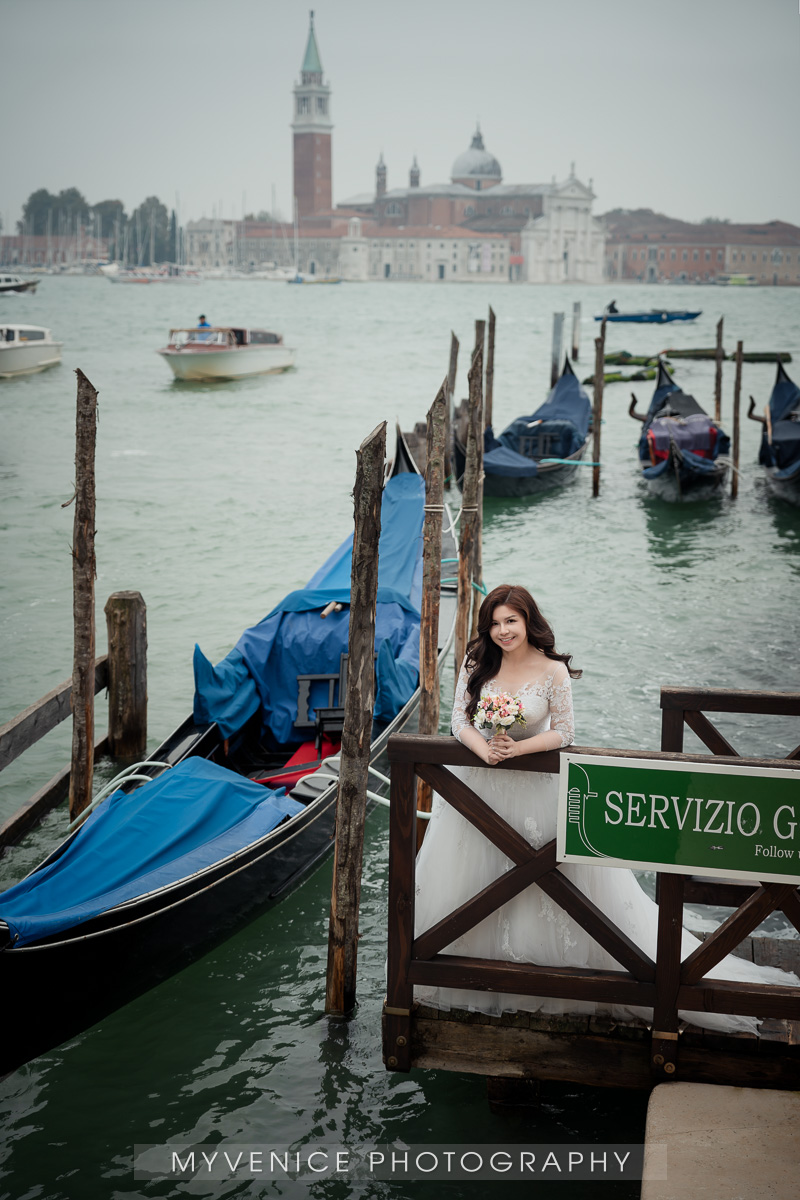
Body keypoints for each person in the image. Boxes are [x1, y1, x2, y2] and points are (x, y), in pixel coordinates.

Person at [413, 584, 797, 1033]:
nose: (502, 631)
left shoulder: (552, 670)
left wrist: (517, 751)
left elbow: (565, 733)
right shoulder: (477, 660)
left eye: (511, 621)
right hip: (478, 787)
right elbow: (459, 720)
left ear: (528, 620)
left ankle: (555, 977)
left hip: (536, 788)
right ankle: (477, 972)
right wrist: (485, 749)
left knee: (545, 879)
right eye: (495, 623)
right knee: (480, 876)